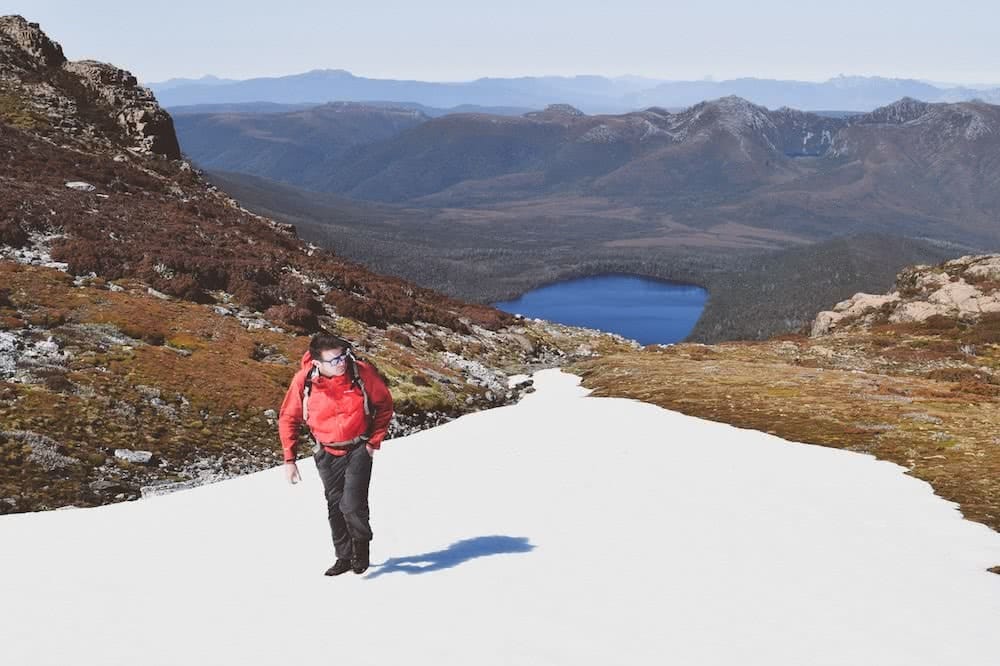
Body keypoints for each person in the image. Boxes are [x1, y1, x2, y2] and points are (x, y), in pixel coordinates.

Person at [278, 333, 394, 576]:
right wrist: (290, 459)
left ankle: (361, 548)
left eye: (343, 356)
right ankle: (343, 557)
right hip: (326, 451)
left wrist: (373, 442)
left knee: (352, 505)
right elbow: (289, 417)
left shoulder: (360, 372)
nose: (341, 362)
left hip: (359, 447)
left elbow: (384, 404)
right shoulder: (304, 381)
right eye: (334, 360)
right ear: (317, 363)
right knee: (335, 505)